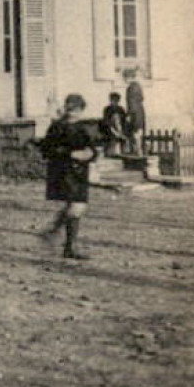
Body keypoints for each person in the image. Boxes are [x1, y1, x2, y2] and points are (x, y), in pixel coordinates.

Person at [36, 94, 99, 261]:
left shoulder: (83, 127)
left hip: (79, 172)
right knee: (76, 206)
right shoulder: (57, 127)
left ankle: (54, 234)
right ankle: (67, 245)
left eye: (77, 109)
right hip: (63, 172)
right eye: (71, 109)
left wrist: (90, 154)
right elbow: (47, 150)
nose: (74, 113)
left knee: (77, 207)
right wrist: (71, 154)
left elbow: (92, 148)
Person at [124, 70, 146, 156]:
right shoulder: (138, 86)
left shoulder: (131, 88)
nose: (125, 80)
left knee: (135, 132)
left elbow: (132, 102)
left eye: (125, 78)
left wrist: (129, 114)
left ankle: (138, 152)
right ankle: (138, 151)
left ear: (130, 78)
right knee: (138, 132)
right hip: (139, 111)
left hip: (135, 113)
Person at [102, 92, 130, 157]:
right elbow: (106, 121)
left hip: (120, 128)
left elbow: (124, 120)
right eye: (113, 100)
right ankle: (110, 153)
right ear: (110, 100)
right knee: (112, 138)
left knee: (125, 138)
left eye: (116, 100)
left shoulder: (121, 109)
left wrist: (122, 130)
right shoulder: (107, 109)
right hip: (110, 129)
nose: (114, 102)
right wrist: (114, 130)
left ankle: (124, 152)